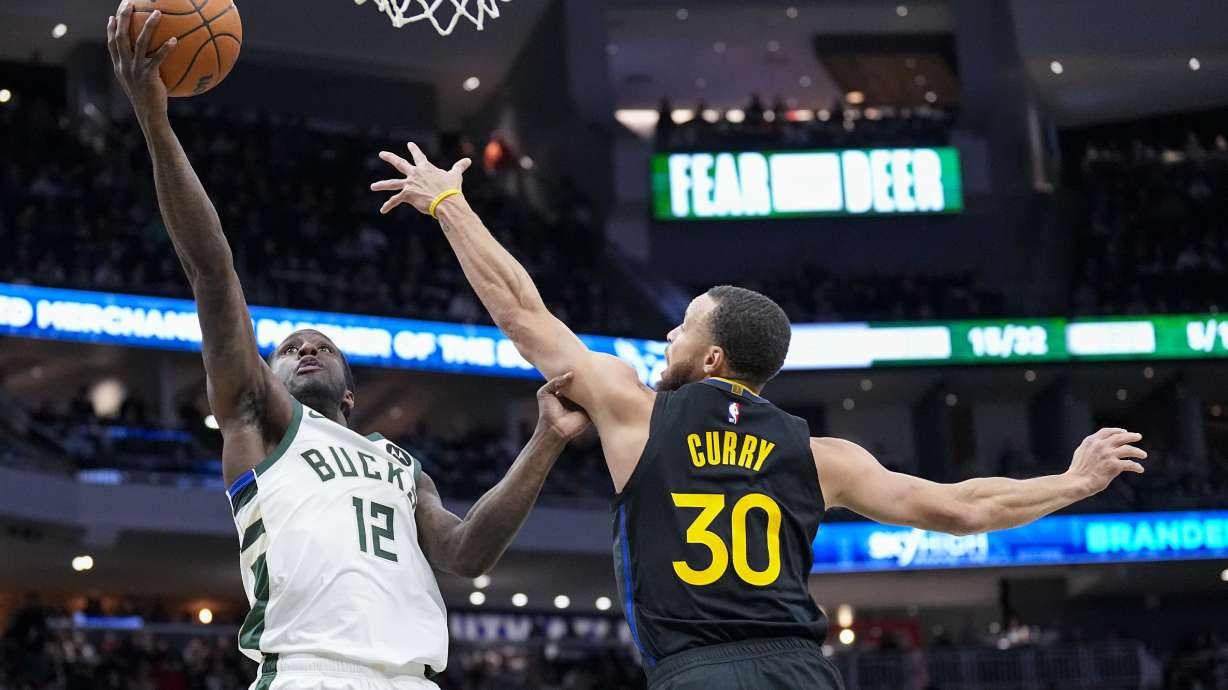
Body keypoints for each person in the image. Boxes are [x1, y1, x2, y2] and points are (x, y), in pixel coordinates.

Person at [371, 145, 1149, 690]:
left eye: (683, 326)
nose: (669, 334)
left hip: (697, 671)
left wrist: (449, 205)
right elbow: (960, 507)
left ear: (711, 359)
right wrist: (1073, 483)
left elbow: (520, 310)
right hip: (800, 672)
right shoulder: (822, 456)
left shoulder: (635, 413)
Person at [106, 6, 591, 689]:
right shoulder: (262, 420)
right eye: (290, 349)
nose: (306, 350)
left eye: (322, 348)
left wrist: (544, 441)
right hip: (309, 673)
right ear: (262, 377)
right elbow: (212, 269)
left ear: (353, 392)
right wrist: (154, 120)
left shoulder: (397, 463)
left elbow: (465, 552)